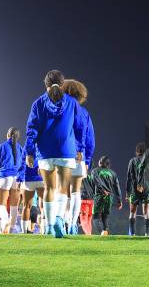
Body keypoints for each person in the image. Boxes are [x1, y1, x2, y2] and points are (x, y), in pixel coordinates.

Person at [25, 70, 86, 238]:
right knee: (63, 188)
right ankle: (59, 218)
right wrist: (80, 148)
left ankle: (50, 226)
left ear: (45, 85)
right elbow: (80, 128)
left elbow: (31, 130)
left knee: (49, 188)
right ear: (63, 83)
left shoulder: (37, 103)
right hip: (66, 150)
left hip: (45, 152)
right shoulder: (72, 103)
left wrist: (29, 152)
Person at [62, 79, 95, 235]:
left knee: (61, 191)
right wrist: (87, 160)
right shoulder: (84, 113)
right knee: (75, 191)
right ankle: (73, 225)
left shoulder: (60, 109)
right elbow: (90, 140)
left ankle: (60, 222)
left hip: (61, 154)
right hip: (78, 156)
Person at [0, 127, 25, 233]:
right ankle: (11, 229)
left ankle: (6, 220)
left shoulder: (1, 146)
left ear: (8, 134)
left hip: (4, 177)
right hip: (17, 178)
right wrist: (21, 178)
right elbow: (23, 166)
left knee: (1, 204)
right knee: (14, 206)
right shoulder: (20, 148)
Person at [89, 156, 122, 235]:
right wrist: (119, 200)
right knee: (105, 216)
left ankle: (102, 232)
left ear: (100, 162)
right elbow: (117, 187)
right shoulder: (113, 173)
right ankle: (105, 232)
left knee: (95, 216)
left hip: (99, 195)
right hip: (109, 197)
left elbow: (96, 181)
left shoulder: (95, 171)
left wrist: (102, 190)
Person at [126, 142, 149, 236]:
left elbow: (129, 177)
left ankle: (132, 233)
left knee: (132, 212)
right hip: (147, 188)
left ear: (137, 151)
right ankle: (147, 234)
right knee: (146, 211)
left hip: (134, 189)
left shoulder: (132, 161)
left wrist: (127, 192)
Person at [21, 145, 45, 234]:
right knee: (44, 206)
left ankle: (24, 232)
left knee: (26, 206)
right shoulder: (42, 144)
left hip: (28, 178)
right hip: (41, 178)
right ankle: (45, 230)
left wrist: (20, 178)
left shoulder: (26, 147)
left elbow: (22, 163)